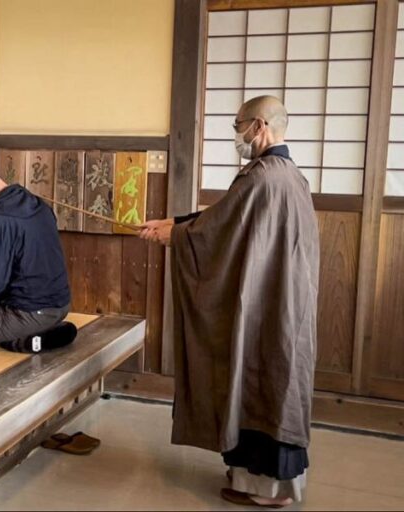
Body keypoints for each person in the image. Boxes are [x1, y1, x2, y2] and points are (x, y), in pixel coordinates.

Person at [140, 96, 319, 508]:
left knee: (259, 382)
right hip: (282, 301)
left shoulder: (262, 178)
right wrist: (176, 224)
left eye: (239, 127)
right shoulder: (289, 176)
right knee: (274, 380)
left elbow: (219, 231)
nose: (236, 136)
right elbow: (224, 219)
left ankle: (265, 489)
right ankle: (267, 480)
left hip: (264, 305)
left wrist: (179, 236)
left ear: (258, 126)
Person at [0, 157, 75, 353]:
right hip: (60, 304)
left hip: (28, 312)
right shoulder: (37, 203)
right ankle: (35, 338)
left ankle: (25, 340)